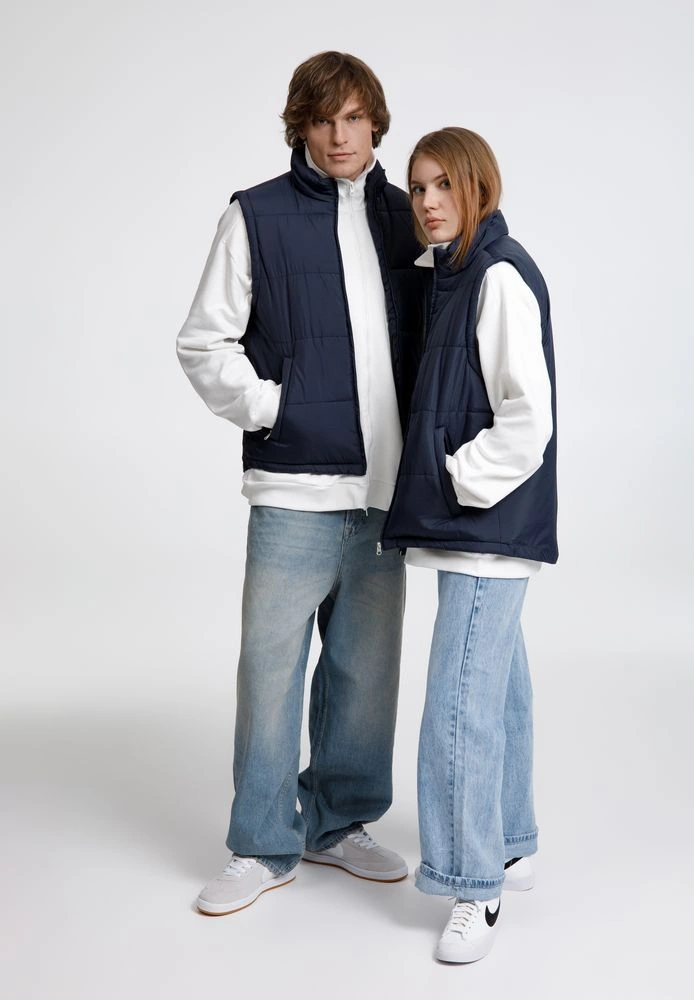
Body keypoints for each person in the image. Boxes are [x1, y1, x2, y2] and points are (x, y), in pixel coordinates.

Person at [177, 51, 424, 916]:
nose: (339, 135)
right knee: (270, 670)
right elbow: (203, 342)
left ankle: (338, 824)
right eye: (323, 120)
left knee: (365, 674)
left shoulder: (406, 217)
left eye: (354, 118)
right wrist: (274, 406)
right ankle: (260, 843)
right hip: (292, 489)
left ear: (375, 123)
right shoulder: (256, 214)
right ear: (301, 127)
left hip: (385, 495)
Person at [380, 127, 558, 963]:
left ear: (478, 186)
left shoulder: (498, 277)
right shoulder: (452, 273)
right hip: (474, 529)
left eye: (443, 185)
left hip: (484, 529)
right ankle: (511, 843)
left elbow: (529, 419)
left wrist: (458, 478)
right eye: (418, 187)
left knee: (458, 702)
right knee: (498, 685)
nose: (426, 202)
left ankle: (470, 881)